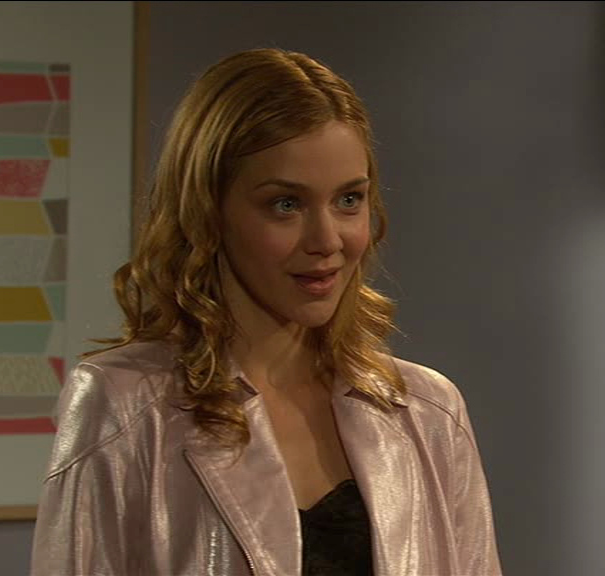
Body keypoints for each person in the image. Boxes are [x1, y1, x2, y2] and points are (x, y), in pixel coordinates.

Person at [30, 48, 503, 576]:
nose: (327, 240)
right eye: (286, 204)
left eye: (349, 200)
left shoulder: (428, 412)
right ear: (208, 212)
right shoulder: (124, 405)